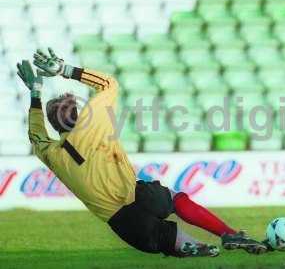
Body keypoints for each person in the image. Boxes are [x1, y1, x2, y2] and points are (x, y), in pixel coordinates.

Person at [17, 48, 267, 257]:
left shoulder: (52, 153)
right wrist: (64, 70)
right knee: (174, 199)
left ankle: (189, 246)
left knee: (164, 240)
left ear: (54, 124)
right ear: (80, 113)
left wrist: (35, 94)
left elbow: (36, 136)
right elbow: (108, 84)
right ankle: (227, 233)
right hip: (140, 195)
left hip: (125, 225)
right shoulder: (93, 123)